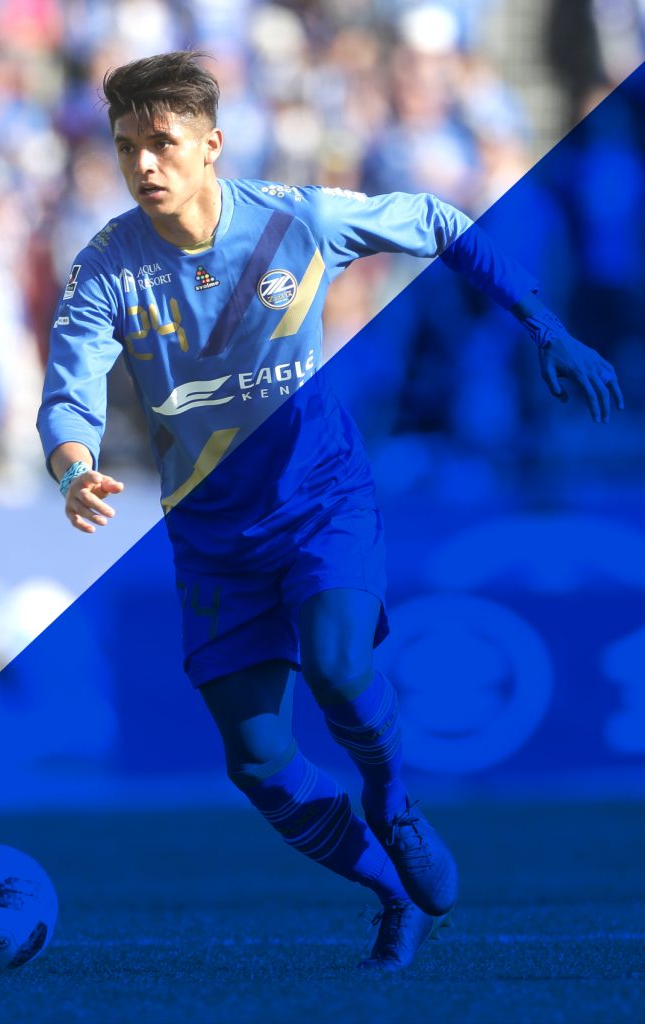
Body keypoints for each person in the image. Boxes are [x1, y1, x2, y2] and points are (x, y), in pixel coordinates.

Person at [37, 51, 624, 971]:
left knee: (340, 666)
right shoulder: (109, 265)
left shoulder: (295, 220)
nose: (143, 164)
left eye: (162, 142)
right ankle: (391, 894)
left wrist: (546, 328)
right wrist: (74, 468)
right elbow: (68, 390)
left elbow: (439, 221)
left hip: (320, 501)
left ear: (211, 145)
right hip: (212, 538)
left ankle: (393, 800)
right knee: (257, 761)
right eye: (125, 147)